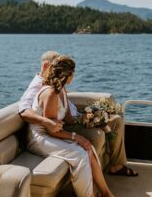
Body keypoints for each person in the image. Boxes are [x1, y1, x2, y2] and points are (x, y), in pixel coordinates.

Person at [19, 50, 138, 177]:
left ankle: (117, 165)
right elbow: (23, 110)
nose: (59, 70)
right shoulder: (38, 85)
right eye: (56, 65)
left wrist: (91, 113)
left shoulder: (57, 82)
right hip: (65, 125)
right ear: (45, 66)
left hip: (76, 118)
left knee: (116, 121)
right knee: (96, 135)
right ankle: (93, 176)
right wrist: (47, 122)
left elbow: (63, 102)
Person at [25, 55, 114, 197]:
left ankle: (106, 193)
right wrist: (76, 137)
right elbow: (51, 129)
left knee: (89, 148)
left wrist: (89, 118)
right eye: (73, 73)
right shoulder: (50, 93)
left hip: (52, 134)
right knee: (79, 154)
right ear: (67, 74)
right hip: (40, 138)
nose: (74, 76)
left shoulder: (61, 90)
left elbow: (68, 118)